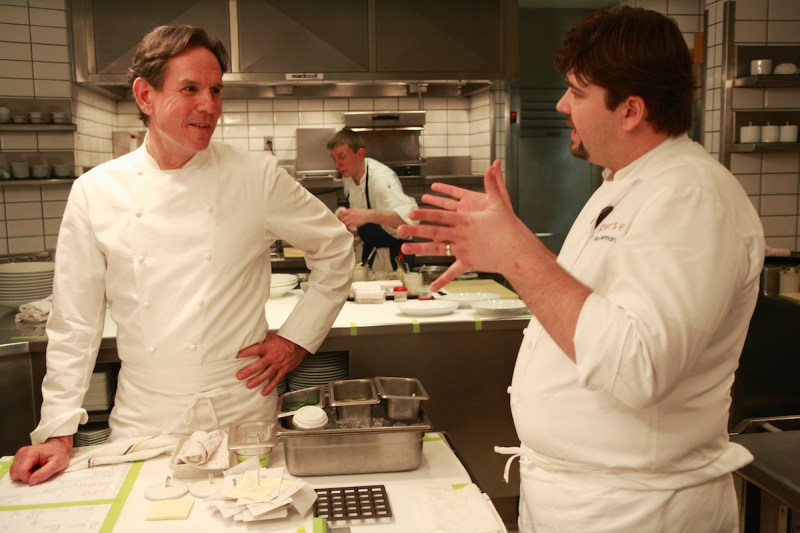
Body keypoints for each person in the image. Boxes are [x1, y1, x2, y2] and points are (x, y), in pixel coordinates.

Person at [397, 7, 764, 532]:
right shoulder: (622, 184)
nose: (561, 105)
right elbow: (585, 307)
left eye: (577, 91)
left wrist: (516, 254)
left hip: (637, 511)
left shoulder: (693, 196)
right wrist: (511, 241)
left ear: (631, 110)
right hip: (584, 498)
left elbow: (640, 368)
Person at [11, 24, 354, 486]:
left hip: (241, 413)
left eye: (215, 90)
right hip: (145, 419)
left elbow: (334, 246)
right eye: (190, 88)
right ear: (145, 96)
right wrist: (56, 431)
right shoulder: (96, 191)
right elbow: (75, 321)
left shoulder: (256, 176)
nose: (209, 106)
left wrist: (295, 339)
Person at [327, 128, 417, 270]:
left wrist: (368, 215)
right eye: (334, 158)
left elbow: (409, 221)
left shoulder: (381, 180)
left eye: (342, 157)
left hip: (394, 257)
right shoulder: (349, 176)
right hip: (371, 251)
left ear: (360, 154)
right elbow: (361, 223)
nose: (337, 165)